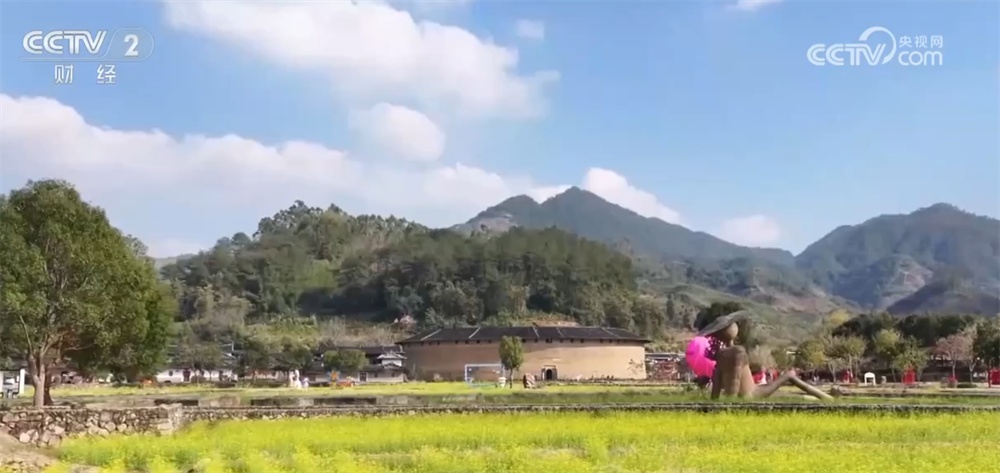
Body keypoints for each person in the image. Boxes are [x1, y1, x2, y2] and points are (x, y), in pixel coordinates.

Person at [696, 310, 831, 401]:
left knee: (788, 381)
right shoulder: (738, 351)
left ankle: (826, 398)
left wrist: (717, 402)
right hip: (751, 394)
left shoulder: (721, 356)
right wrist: (732, 401)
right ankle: (826, 398)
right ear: (735, 331)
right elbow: (734, 378)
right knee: (789, 375)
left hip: (745, 395)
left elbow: (717, 386)